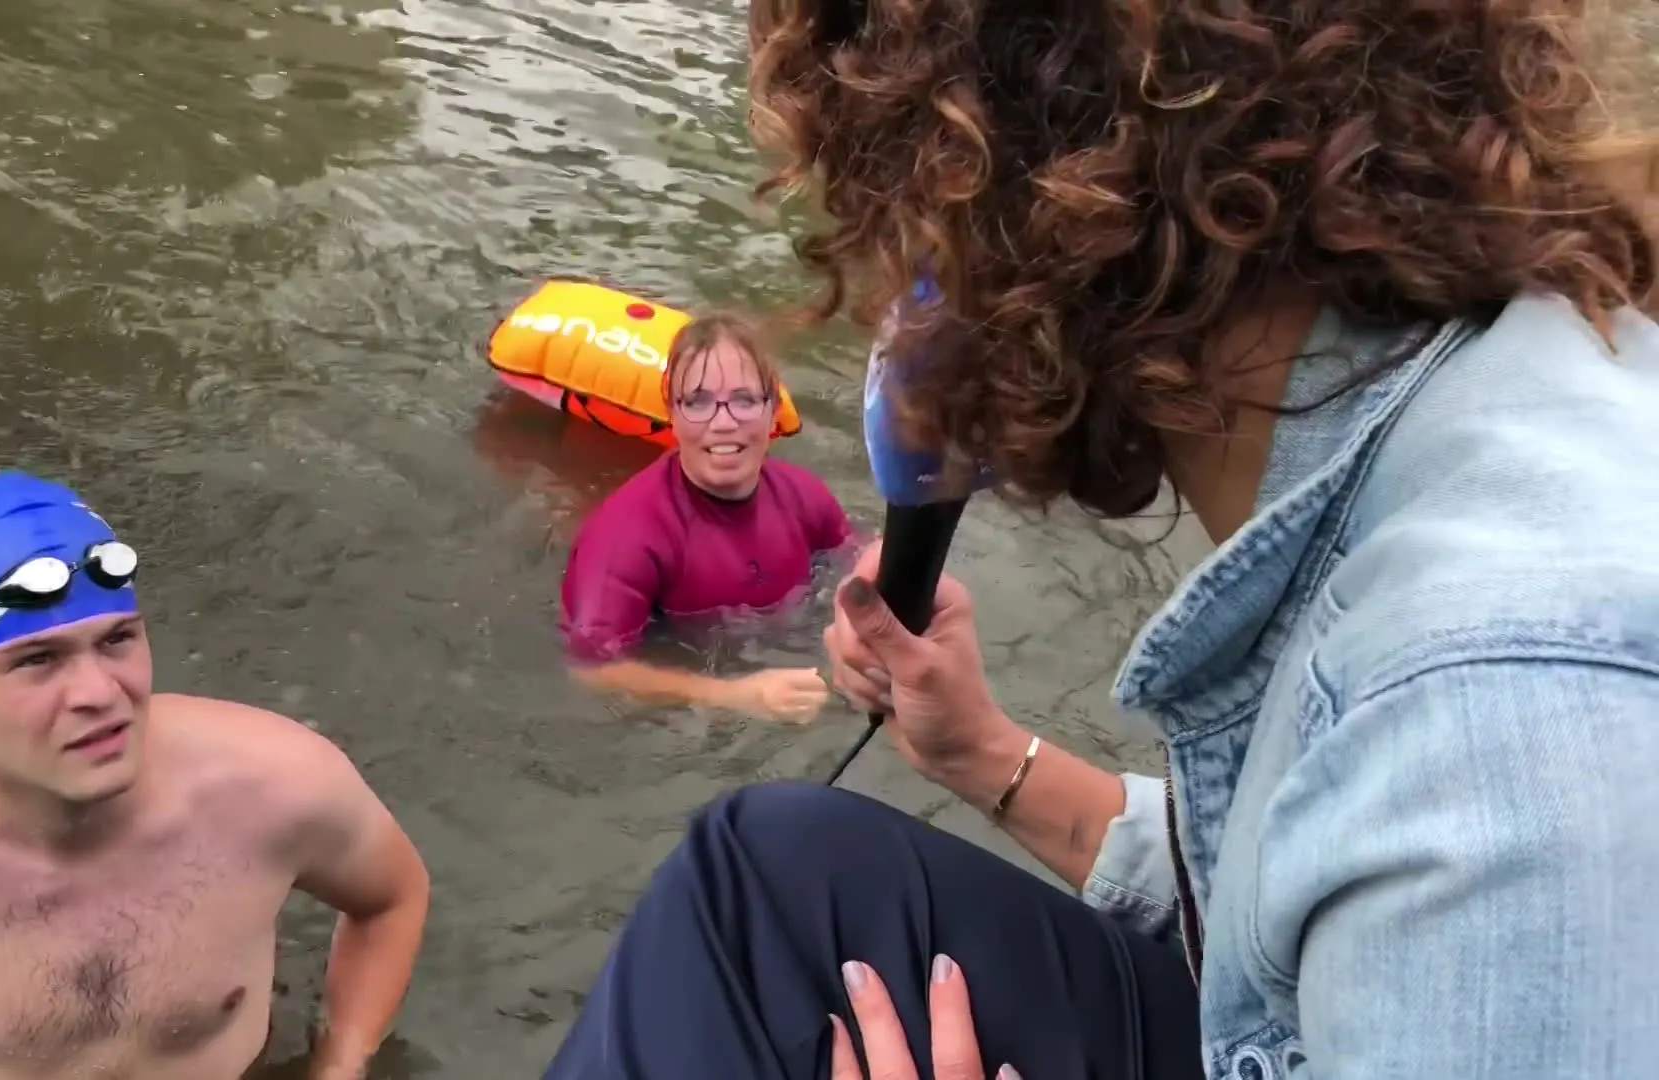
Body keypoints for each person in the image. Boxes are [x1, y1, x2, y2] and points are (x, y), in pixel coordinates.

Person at [542, 1, 1659, 1078]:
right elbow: (1298, 908)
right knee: (772, 882)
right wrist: (978, 751)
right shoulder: (1498, 426)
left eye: (897, 233)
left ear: (998, 198)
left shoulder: (1500, 731)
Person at [0, 471, 431, 1080]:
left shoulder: (274, 784)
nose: (98, 692)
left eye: (117, 640)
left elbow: (393, 897)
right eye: (37, 660)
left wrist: (341, 1064)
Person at [561, 311, 852, 723]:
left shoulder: (804, 495)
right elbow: (590, 669)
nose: (723, 423)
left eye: (744, 400)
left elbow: (857, 563)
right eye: (697, 402)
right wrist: (733, 695)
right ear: (672, 415)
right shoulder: (626, 537)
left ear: (773, 412)